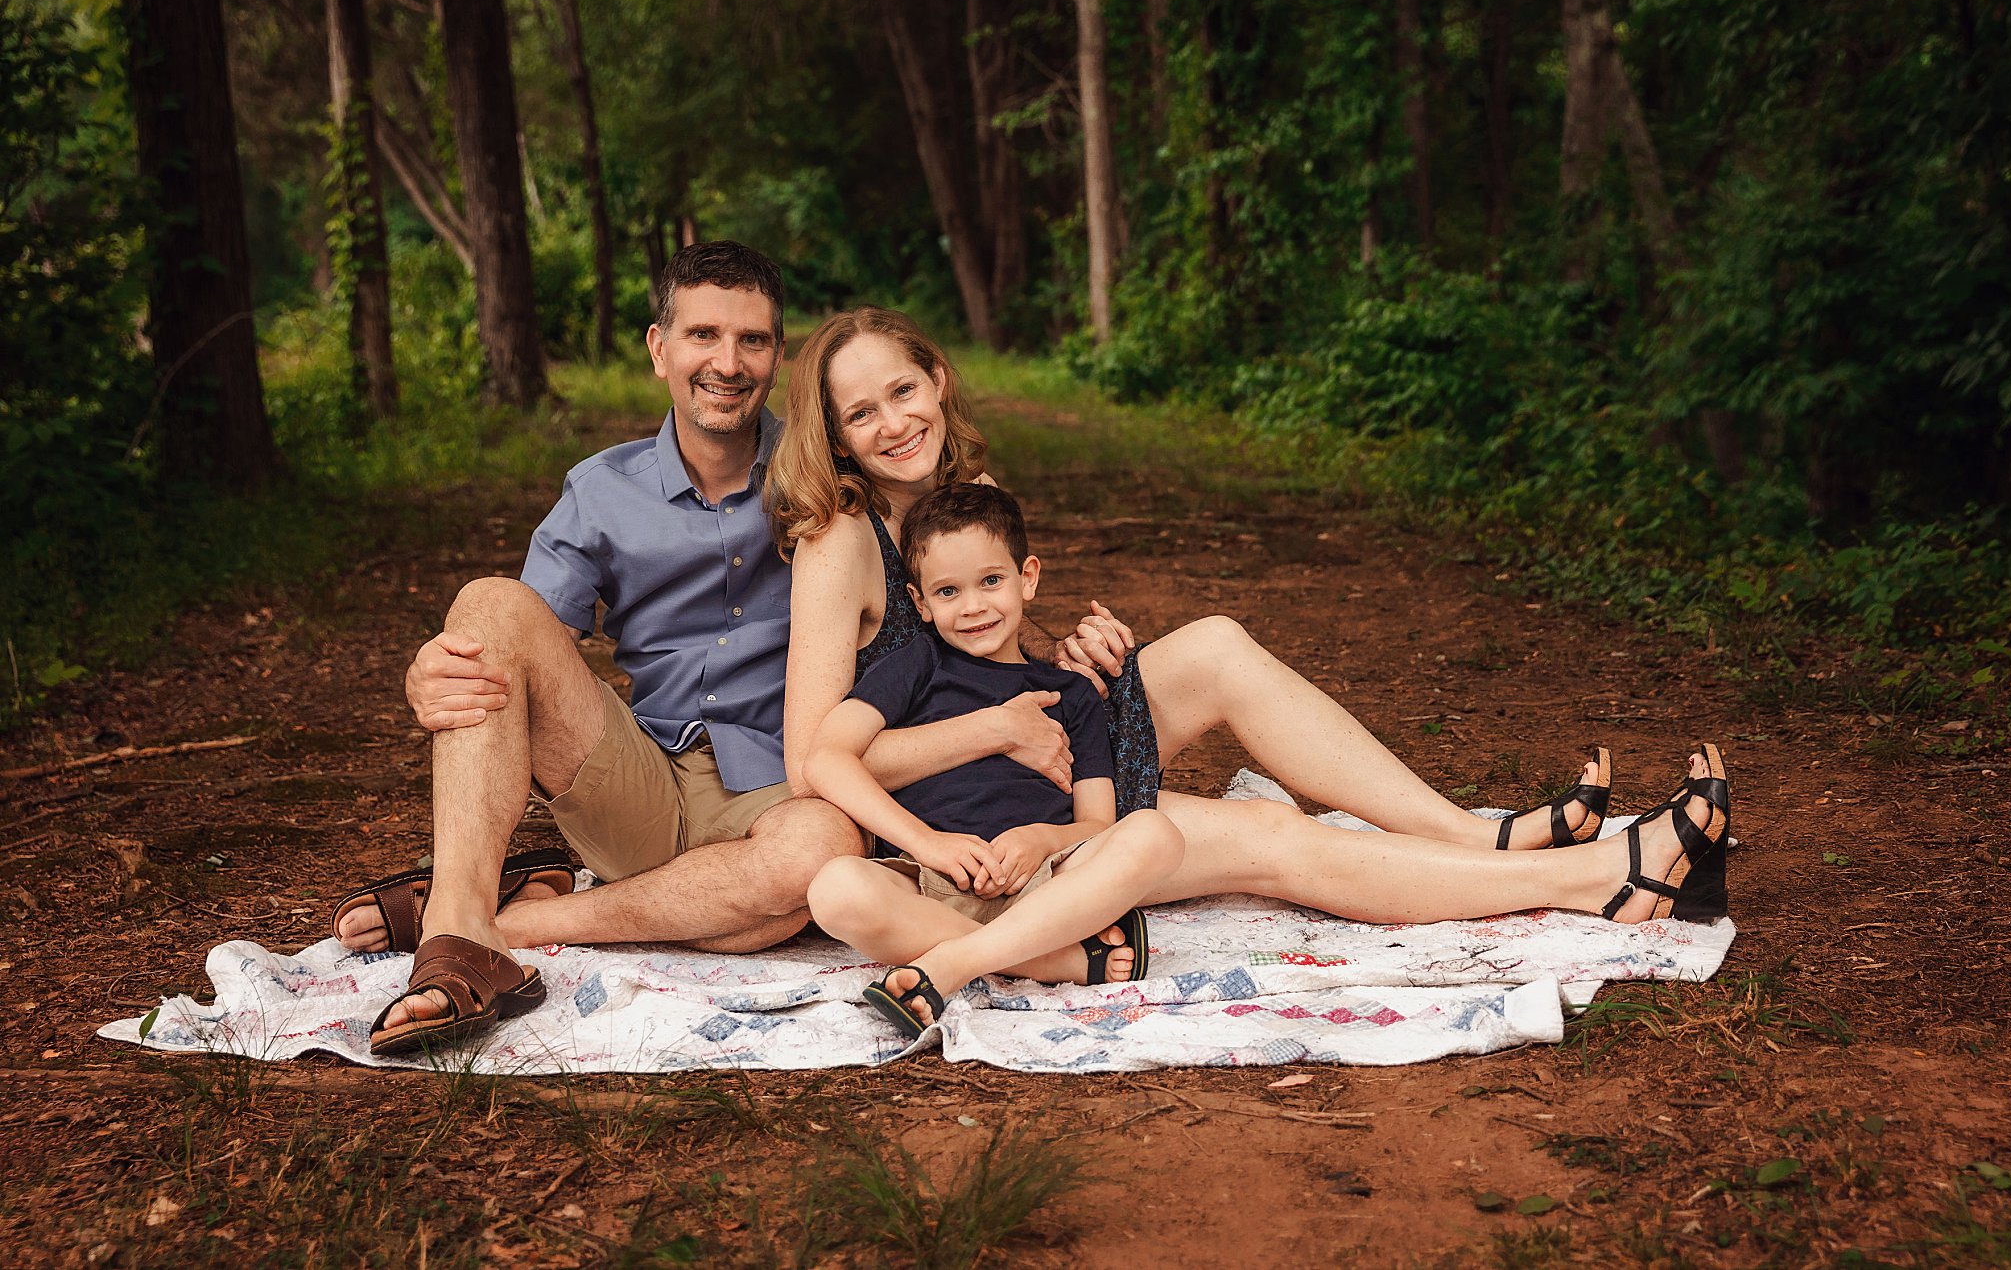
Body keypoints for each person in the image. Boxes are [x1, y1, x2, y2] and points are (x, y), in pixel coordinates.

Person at [769, 306, 1733, 930]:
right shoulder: (842, 538)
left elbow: (982, 653)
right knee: (1271, 842)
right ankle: (1598, 880)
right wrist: (996, 726)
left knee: (1220, 642)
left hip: (1047, 758)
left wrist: (1060, 654)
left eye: (903, 390)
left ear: (937, 379)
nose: (893, 423)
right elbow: (811, 760)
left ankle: (1468, 836)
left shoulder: (970, 492)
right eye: (861, 413)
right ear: (836, 435)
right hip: (972, 822)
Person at [333, 241, 868, 1056]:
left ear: (778, 355)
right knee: (487, 603)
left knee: (821, 863)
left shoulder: (827, 474)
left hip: (783, 785)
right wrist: (432, 667)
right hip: (641, 781)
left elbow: (950, 555)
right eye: (703, 336)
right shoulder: (602, 488)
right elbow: (509, 643)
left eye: (752, 340)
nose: (727, 362)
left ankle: (496, 917)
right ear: (660, 349)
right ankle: (459, 938)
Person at [802, 482, 1184, 1036]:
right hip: (932, 884)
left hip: (1049, 886)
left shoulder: (1067, 694)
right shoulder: (918, 665)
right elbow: (825, 759)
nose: (974, 606)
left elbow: (1098, 822)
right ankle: (1065, 964)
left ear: (1027, 577)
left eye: (991, 581)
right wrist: (926, 844)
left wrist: (1040, 840)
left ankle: (953, 963)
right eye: (949, 591)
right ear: (920, 603)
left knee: (1154, 833)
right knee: (834, 890)